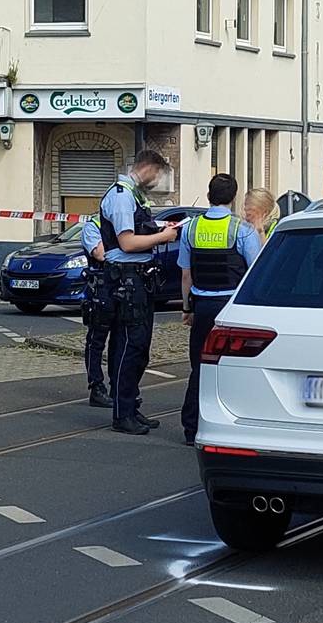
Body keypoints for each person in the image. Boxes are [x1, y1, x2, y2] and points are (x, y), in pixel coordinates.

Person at [97, 150, 184, 435]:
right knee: (129, 346)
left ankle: (131, 406)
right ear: (147, 167)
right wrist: (164, 236)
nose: (157, 180)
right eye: (157, 174)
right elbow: (127, 243)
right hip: (126, 279)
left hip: (137, 279)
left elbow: (136, 229)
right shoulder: (122, 195)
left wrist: (159, 226)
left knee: (138, 347)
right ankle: (123, 413)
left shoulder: (132, 194)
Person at [177, 174, 266, 446]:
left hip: (202, 307)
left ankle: (191, 427)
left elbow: (186, 275)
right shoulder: (241, 230)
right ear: (234, 198)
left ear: (208, 196)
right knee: (234, 367)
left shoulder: (191, 229)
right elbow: (256, 273)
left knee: (199, 368)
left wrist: (186, 308)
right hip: (231, 309)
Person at [80, 223, 113, 411]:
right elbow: (99, 254)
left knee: (120, 339)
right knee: (96, 341)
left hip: (121, 285)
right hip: (100, 289)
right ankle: (96, 387)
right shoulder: (93, 226)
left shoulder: (125, 224)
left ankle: (117, 385)